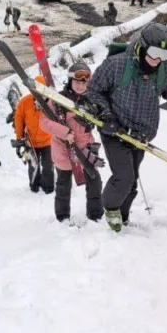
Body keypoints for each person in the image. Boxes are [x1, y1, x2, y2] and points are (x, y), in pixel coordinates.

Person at [83, 22, 167, 232]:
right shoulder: (116, 65)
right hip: (115, 131)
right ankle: (110, 210)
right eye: (153, 53)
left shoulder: (164, 70)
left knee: (132, 181)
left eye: (164, 55)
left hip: (141, 135)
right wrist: (106, 115)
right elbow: (93, 91)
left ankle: (124, 217)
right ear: (141, 47)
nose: (157, 60)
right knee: (124, 178)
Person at [37, 62, 105, 224]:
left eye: (84, 82)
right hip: (63, 149)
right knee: (63, 185)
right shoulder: (58, 100)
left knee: (94, 181)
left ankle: (95, 214)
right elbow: (44, 122)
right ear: (70, 81)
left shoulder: (93, 99)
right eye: (77, 82)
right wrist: (64, 132)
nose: (81, 86)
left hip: (86, 147)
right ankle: (62, 216)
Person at [13, 76, 55, 195]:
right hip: (30, 142)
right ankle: (34, 185)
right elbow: (18, 119)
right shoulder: (24, 102)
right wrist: (19, 137)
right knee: (33, 166)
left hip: (48, 141)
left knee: (48, 166)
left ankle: (49, 186)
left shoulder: (51, 103)